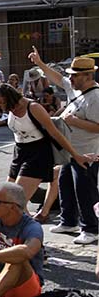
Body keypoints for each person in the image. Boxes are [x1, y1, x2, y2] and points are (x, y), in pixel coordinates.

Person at [30, 51, 99, 245]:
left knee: (85, 190)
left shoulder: (95, 97)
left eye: (75, 75)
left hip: (87, 152)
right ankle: (69, 221)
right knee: (65, 185)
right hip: (70, 150)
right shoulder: (76, 89)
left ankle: (91, 228)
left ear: (88, 76)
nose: (71, 78)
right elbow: (58, 78)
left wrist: (74, 121)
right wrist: (41, 64)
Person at [0, 82, 89, 209]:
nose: (2, 108)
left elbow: (55, 133)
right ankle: (31, 223)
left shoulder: (34, 107)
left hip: (37, 153)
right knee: (7, 200)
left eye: (2, 103)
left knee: (13, 203)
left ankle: (36, 220)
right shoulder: (6, 103)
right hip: (19, 152)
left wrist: (75, 155)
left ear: (10, 97)